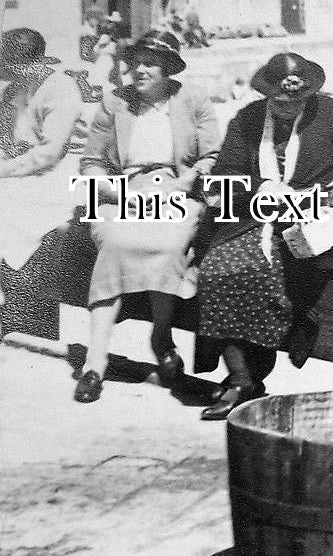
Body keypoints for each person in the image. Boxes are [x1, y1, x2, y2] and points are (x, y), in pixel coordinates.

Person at [194, 53, 333, 420]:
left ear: (308, 97)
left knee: (278, 265)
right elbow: (225, 173)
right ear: (268, 95)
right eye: (280, 102)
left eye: (297, 102)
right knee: (219, 268)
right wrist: (262, 186)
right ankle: (242, 377)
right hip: (253, 214)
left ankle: (277, 344)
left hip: (313, 216)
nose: (288, 108)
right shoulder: (248, 118)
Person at [74, 30, 220, 403]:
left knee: (169, 245)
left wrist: (183, 184)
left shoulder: (193, 100)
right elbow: (91, 162)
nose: (139, 69)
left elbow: (211, 156)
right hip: (121, 190)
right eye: (135, 61)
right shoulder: (114, 103)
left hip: (175, 189)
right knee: (116, 243)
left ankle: (161, 335)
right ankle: (95, 361)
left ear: (169, 69)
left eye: (150, 63)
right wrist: (117, 192)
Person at [0, 29, 84, 310]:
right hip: (20, 167)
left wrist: (4, 170)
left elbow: (50, 153)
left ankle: (17, 302)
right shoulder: (14, 88)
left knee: (13, 206)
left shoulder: (61, 89)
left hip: (59, 170)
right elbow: (4, 137)